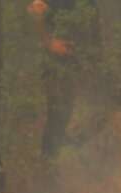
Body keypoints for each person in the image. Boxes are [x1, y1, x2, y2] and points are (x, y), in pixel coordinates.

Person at [26, 0, 101, 159]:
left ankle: (59, 156)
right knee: (57, 112)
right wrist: (49, 43)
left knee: (67, 110)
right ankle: (48, 162)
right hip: (54, 62)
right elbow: (34, 10)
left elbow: (92, 24)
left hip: (76, 60)